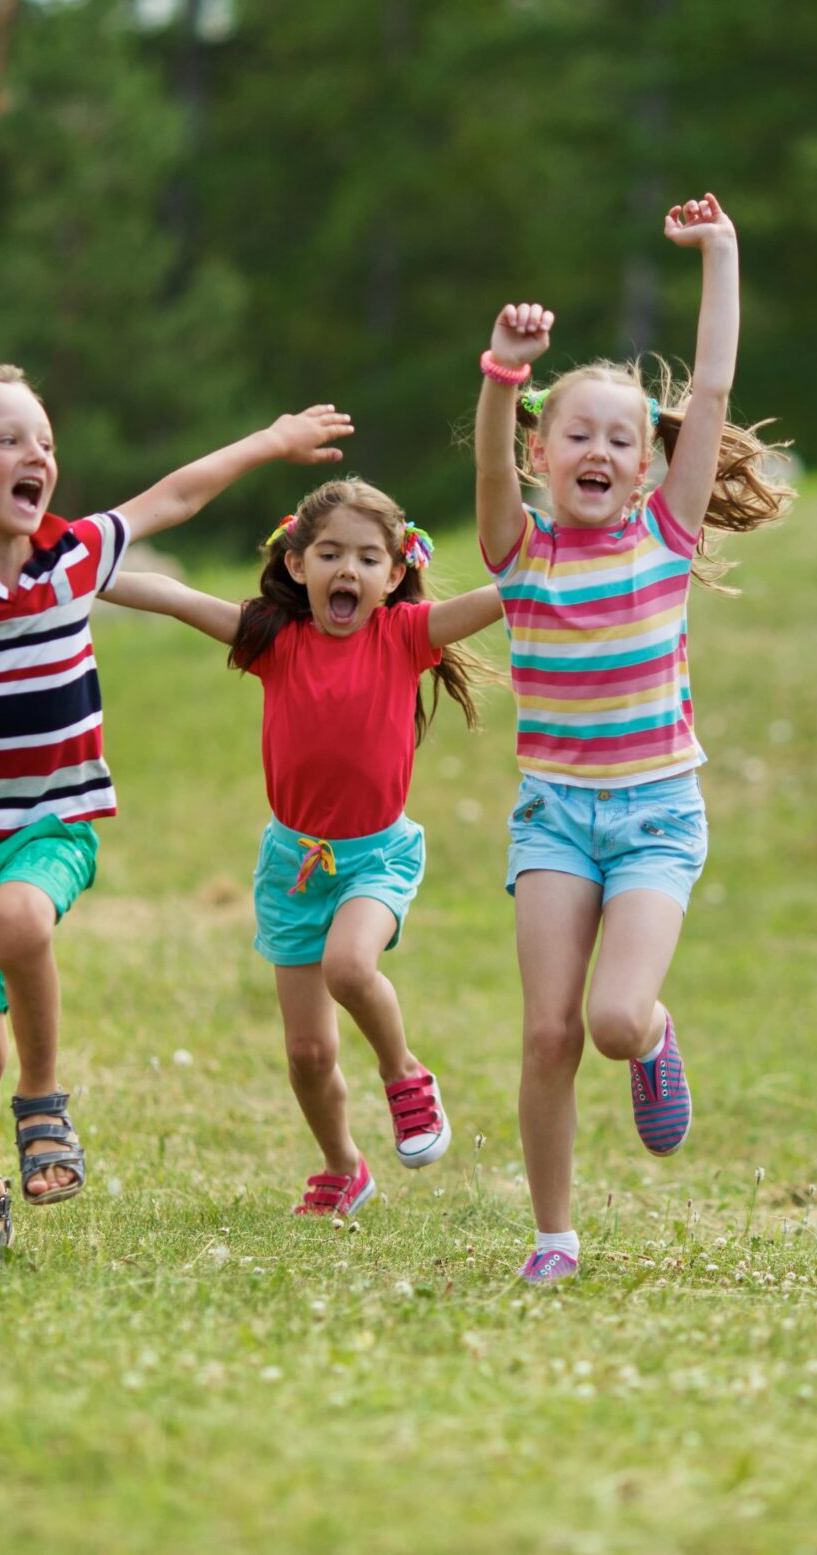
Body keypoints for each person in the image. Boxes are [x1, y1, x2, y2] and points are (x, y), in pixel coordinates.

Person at [0, 363, 351, 1252]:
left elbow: (177, 495)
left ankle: (44, 1103)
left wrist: (272, 441)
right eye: (7, 439)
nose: (36, 455)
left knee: (20, 921)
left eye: (44, 442)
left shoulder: (75, 554)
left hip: (55, 823)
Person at [469, 193, 795, 1286]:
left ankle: (653, 1037)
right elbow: (493, 455)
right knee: (548, 1034)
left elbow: (707, 389)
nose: (601, 448)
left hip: (655, 812)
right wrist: (503, 377)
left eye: (622, 437)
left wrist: (722, 253)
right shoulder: (519, 553)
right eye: (578, 435)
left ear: (649, 467)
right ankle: (553, 1237)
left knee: (609, 1022)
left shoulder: (665, 535)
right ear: (544, 455)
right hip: (554, 815)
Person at [101, 479, 500, 1217]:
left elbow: (503, 593)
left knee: (351, 966)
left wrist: (570, 549)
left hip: (377, 855)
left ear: (393, 574)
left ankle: (404, 1073)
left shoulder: (407, 634)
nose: (347, 569)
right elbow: (173, 596)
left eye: (367, 557)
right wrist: (75, 570)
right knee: (308, 1054)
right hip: (293, 865)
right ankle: (344, 1164)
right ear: (296, 565)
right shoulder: (272, 639)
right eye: (329, 553)